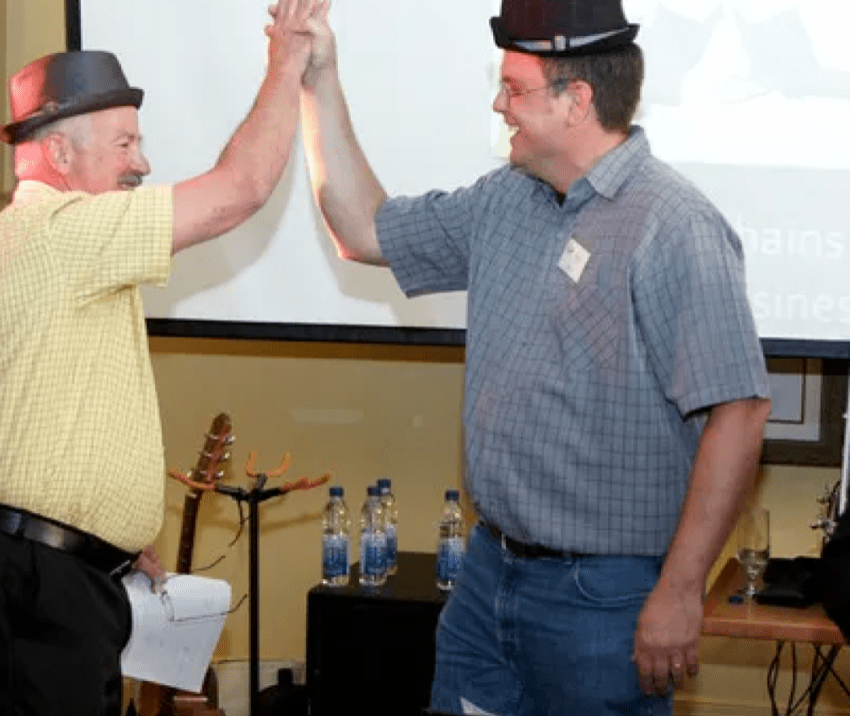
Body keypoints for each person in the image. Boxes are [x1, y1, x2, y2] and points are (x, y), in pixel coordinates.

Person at [296, 0, 772, 713]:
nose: (499, 103)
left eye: (514, 88)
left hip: (604, 599)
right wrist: (317, 79)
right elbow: (362, 231)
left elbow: (739, 410)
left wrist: (680, 590)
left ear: (576, 100)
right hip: (489, 576)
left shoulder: (675, 226)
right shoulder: (506, 199)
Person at [0, 2, 320, 715]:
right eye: (125, 144)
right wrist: (287, 55)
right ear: (60, 154)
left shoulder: (15, 249)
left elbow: (27, 419)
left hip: (21, 568)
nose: (144, 163)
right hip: (34, 589)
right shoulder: (63, 232)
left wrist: (103, 538)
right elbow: (242, 190)